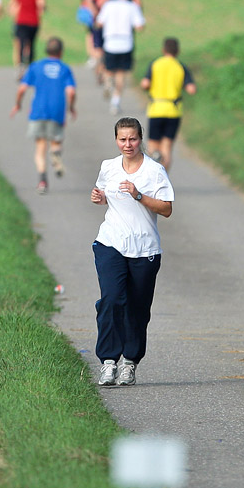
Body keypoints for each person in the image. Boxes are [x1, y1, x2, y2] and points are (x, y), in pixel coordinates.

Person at [90, 117, 174, 386]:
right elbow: (105, 193)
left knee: (137, 309)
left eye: (133, 139)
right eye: (122, 139)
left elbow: (167, 209)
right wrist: (100, 198)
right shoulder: (109, 167)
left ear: (141, 139)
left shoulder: (154, 171)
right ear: (116, 140)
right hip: (110, 242)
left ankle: (130, 362)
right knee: (112, 300)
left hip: (144, 248)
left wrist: (139, 195)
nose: (128, 144)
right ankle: (108, 361)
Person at [10, 37, 76, 194]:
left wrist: (18, 104)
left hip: (38, 111)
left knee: (40, 147)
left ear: (46, 50)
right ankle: (55, 155)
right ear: (61, 52)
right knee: (56, 141)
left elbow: (22, 89)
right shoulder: (65, 69)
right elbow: (71, 91)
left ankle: (42, 181)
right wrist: (71, 108)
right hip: (57, 111)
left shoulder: (36, 67)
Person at [139, 37, 197, 168]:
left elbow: (145, 84)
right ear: (178, 51)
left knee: (153, 146)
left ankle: (152, 176)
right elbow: (191, 89)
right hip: (173, 110)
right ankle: (164, 180)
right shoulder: (180, 66)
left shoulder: (155, 64)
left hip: (156, 109)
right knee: (167, 146)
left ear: (163, 50)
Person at [95, 0, 145, 114]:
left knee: (109, 69)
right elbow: (140, 26)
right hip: (125, 43)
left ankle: (107, 83)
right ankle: (115, 103)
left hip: (110, 42)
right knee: (121, 74)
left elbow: (99, 23)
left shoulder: (109, 5)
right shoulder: (132, 6)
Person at [84, 0, 117, 85]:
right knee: (107, 49)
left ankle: (100, 71)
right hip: (109, 23)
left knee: (99, 49)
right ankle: (103, 72)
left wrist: (95, 14)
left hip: (98, 22)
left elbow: (88, 1)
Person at [9, 0, 45, 74]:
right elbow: (41, 6)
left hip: (21, 21)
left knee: (21, 43)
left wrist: (13, 14)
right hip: (33, 22)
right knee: (31, 44)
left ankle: (20, 66)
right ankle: (30, 66)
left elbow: (13, 4)